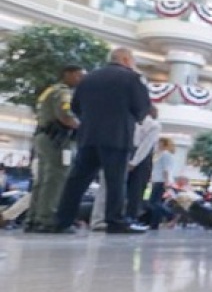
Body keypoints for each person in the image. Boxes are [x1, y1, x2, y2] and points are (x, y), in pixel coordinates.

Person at [53, 48, 151, 234]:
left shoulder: (88, 78)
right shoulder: (132, 78)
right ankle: (115, 221)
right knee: (116, 181)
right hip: (117, 136)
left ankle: (62, 220)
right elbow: (142, 107)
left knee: (77, 180)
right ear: (125, 59)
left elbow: (75, 106)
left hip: (88, 136)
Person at [23, 64, 83, 233]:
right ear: (68, 74)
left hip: (43, 137)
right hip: (57, 140)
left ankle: (33, 218)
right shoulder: (63, 92)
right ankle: (48, 219)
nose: (81, 79)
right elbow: (65, 116)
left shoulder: (49, 90)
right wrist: (81, 126)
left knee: (42, 179)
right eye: (79, 75)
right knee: (56, 179)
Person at [125, 105, 161, 225]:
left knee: (123, 187)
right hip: (142, 159)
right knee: (136, 190)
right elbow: (146, 145)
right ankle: (130, 217)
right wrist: (134, 162)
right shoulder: (154, 125)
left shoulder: (132, 121)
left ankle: (121, 215)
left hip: (127, 153)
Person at [146, 136, 176, 229]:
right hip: (159, 180)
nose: (157, 144)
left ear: (164, 144)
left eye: (159, 143)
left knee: (153, 202)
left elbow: (166, 169)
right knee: (157, 203)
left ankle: (171, 215)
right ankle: (154, 224)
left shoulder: (165, 154)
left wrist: (166, 182)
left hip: (161, 181)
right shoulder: (163, 154)